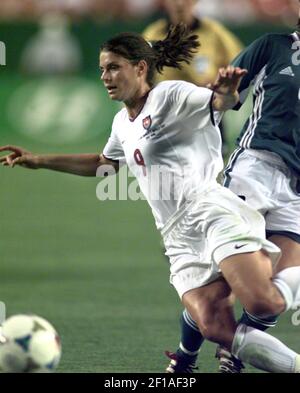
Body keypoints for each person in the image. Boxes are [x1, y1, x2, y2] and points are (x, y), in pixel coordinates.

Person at [1, 24, 300, 373]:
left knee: (264, 303)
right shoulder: (121, 124)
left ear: (140, 68)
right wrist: (38, 160)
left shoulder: (171, 95)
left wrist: (227, 93)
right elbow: (104, 163)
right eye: (101, 69)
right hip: (176, 237)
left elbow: (219, 102)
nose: (105, 76)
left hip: (210, 210)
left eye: (113, 67)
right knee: (214, 326)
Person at [166, 2, 300, 374]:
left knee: (275, 295)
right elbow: (224, 93)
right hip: (254, 169)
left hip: (297, 188)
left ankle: (234, 357)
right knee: (221, 287)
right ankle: (184, 358)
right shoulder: (274, 46)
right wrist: (224, 89)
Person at [143, 0, 243, 153]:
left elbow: (239, 59)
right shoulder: (154, 34)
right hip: (167, 112)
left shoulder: (213, 31)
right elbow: (139, 73)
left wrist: (220, 80)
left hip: (205, 108)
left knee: (212, 167)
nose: (179, 4)